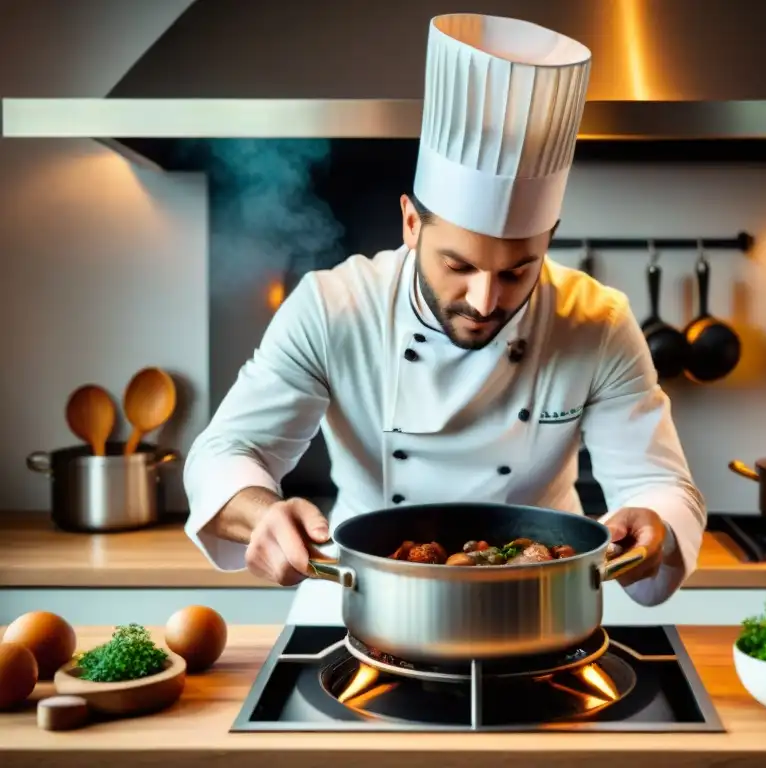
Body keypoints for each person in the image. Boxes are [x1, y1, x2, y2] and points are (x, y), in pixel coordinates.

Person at [183, 12, 707, 624]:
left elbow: (660, 485)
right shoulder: (332, 307)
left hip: (537, 608)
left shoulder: (597, 321)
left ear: (550, 238)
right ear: (411, 223)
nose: (486, 301)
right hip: (362, 602)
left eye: (517, 270)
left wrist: (654, 524)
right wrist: (262, 511)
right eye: (458, 265)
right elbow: (226, 451)